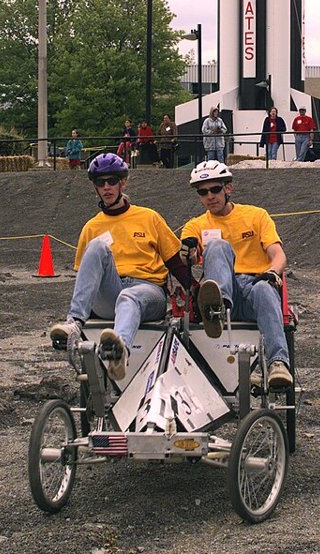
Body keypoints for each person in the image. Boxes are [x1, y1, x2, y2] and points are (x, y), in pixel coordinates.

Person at [48, 154, 190, 380]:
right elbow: (87, 277)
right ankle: (74, 323)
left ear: (123, 182)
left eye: (112, 181)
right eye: (100, 183)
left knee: (129, 296)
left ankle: (119, 350)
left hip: (147, 292)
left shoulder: (149, 217)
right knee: (96, 247)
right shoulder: (91, 227)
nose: (106, 187)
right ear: (95, 187)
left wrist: (195, 290)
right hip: (111, 294)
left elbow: (174, 262)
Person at [181, 161, 292, 390]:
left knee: (264, 289)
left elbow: (278, 254)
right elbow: (190, 260)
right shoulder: (194, 226)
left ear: (227, 189)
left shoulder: (256, 215)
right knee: (218, 246)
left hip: (254, 284)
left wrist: (271, 273)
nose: (209, 196)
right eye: (203, 192)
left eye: (215, 189)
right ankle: (217, 306)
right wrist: (189, 252)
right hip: (223, 286)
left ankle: (278, 363)